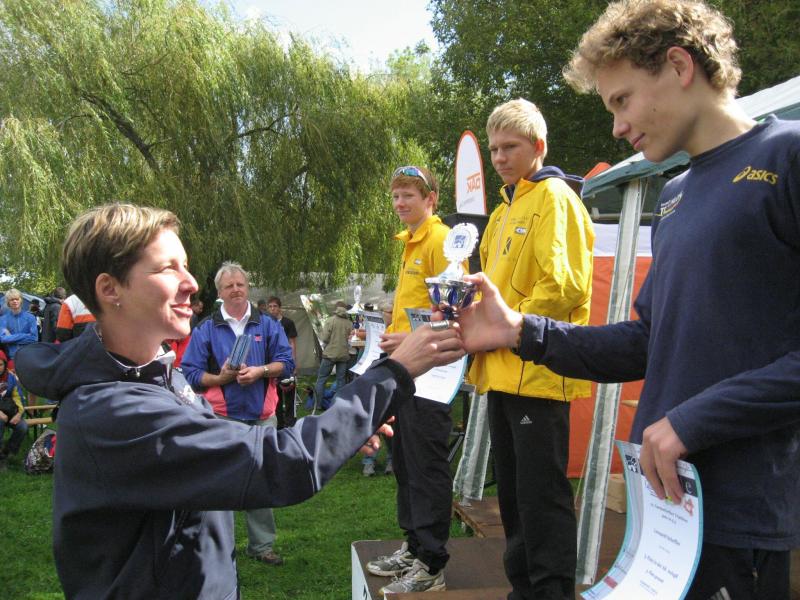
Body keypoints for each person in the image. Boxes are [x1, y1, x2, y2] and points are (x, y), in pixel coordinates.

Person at [453, 2, 800, 597]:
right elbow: (645, 342)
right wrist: (521, 332)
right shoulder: (676, 194)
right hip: (665, 512)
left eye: (622, 100)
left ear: (679, 66)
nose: (616, 126)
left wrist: (693, 420)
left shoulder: (786, 157)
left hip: (742, 514)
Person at [14, 203, 464, 600]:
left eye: (186, 266)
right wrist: (395, 372)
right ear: (110, 289)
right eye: (167, 269)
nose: (192, 283)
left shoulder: (151, 371)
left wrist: (345, 429)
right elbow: (279, 464)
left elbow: (234, 446)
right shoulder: (114, 411)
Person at [466, 98, 594, 599]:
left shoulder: (555, 197)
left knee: (541, 497)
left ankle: (552, 592)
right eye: (494, 148)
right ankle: (524, 589)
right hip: (501, 371)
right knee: (515, 498)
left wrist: (503, 327)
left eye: (511, 147)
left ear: (539, 146)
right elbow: (493, 291)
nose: (500, 157)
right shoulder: (503, 209)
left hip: (538, 372)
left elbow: (564, 287)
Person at [366, 165, 456, 595]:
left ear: (430, 199)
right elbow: (419, 310)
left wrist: (408, 337)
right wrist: (385, 328)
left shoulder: (440, 240)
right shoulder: (411, 242)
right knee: (404, 463)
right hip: (408, 370)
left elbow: (455, 315)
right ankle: (415, 546)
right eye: (395, 196)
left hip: (434, 375)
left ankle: (432, 563)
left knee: (426, 467)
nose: (400, 203)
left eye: (408, 196)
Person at [181, 262, 292, 566]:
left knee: (261, 481)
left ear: (248, 287)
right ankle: (219, 546)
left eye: (240, 284)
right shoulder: (206, 327)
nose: (236, 290)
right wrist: (220, 379)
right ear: (219, 292)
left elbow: (287, 363)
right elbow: (190, 372)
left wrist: (261, 371)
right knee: (221, 483)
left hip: (262, 415)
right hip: (222, 416)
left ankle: (262, 546)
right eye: (229, 286)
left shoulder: (267, 324)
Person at [361, 299, 395, 476]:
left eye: (390, 312)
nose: (389, 315)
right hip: (374, 380)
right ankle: (369, 461)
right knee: (372, 422)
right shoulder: (375, 330)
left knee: (390, 423)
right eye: (388, 312)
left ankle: (391, 460)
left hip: (391, 381)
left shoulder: (398, 330)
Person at [312, 300, 353, 412]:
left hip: (330, 354)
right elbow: (350, 340)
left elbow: (324, 338)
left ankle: (318, 405)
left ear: (335, 309)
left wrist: (321, 333)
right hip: (343, 355)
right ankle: (338, 405)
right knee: (341, 380)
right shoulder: (349, 323)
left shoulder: (330, 320)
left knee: (321, 379)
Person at [266, 296, 299, 427]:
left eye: (275, 306)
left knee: (289, 393)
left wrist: (294, 362)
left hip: (286, 363)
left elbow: (292, 343)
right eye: (270, 306)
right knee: (275, 396)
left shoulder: (288, 323)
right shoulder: (266, 323)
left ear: (280, 308)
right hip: (273, 364)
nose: (272, 309)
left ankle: (290, 424)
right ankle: (279, 424)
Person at [0, 349, 28, 471]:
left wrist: (19, 414)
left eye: (0, 364)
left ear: (5, 364)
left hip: (10, 412)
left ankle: (7, 452)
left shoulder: (11, 378)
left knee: (22, 427)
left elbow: (18, 397)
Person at [0, 289, 39, 369]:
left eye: (17, 299)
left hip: (29, 356)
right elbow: (3, 339)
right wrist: (26, 335)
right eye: (12, 299)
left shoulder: (30, 317)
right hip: (12, 357)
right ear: (8, 302)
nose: (15, 301)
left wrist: (11, 337)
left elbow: (34, 338)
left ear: (20, 300)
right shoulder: (3, 319)